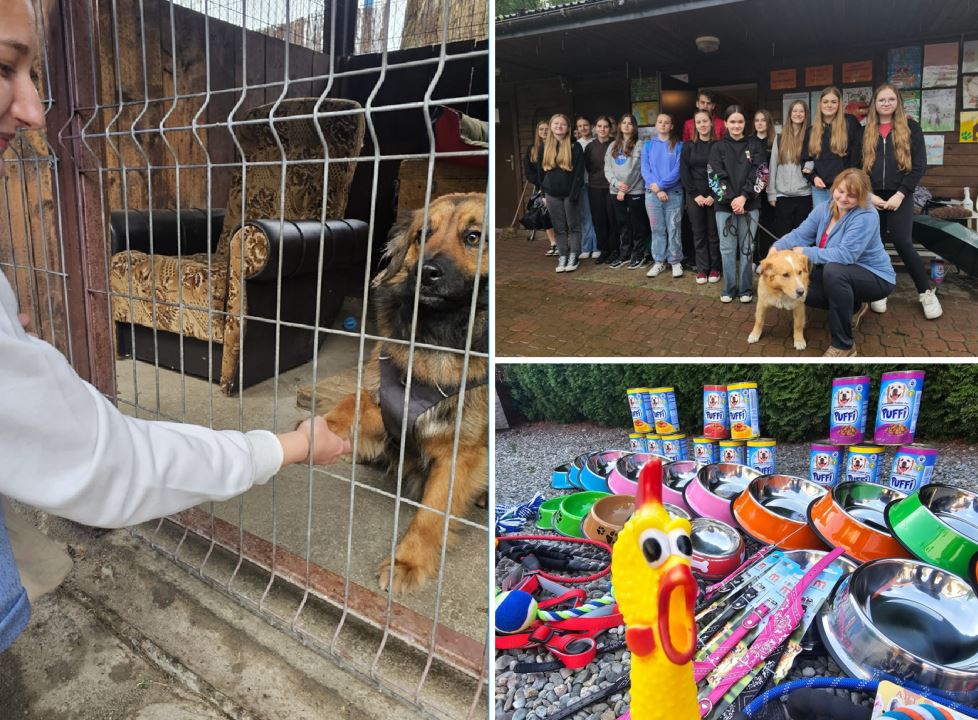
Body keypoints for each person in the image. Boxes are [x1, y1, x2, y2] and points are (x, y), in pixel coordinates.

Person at [0, 0, 351, 655]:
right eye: (3, 68)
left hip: (267, 246)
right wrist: (291, 446)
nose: (31, 110)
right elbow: (116, 465)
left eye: (34, 75)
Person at [770, 168, 895, 357]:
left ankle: (844, 345)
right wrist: (777, 248)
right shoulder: (825, 208)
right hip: (843, 271)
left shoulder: (867, 216)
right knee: (800, 288)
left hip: (875, 276)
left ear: (861, 197)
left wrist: (805, 252)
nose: (844, 198)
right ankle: (853, 306)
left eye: (852, 196)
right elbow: (800, 234)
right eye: (841, 191)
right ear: (834, 188)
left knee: (834, 273)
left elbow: (846, 255)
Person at [862, 83, 942, 320]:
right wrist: (868, 194)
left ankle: (926, 292)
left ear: (897, 102)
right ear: (874, 104)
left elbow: (919, 166)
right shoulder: (865, 130)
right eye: (881, 100)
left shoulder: (911, 128)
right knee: (872, 242)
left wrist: (900, 194)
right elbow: (857, 166)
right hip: (873, 194)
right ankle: (879, 290)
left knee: (902, 241)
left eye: (890, 99)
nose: (886, 103)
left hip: (900, 194)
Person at [708, 105, 768, 303]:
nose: (736, 125)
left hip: (750, 204)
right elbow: (715, 176)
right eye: (732, 121)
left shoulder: (755, 145)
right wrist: (732, 199)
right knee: (726, 248)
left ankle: (745, 289)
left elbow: (760, 173)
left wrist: (744, 196)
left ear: (745, 123)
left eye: (740, 121)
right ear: (725, 123)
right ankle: (729, 288)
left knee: (747, 247)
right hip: (725, 207)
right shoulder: (717, 147)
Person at [802, 86, 862, 207]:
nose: (829, 105)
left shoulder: (850, 123)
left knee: (844, 224)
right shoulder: (811, 131)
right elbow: (806, 161)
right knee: (824, 225)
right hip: (820, 190)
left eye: (833, 102)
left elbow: (858, 156)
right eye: (825, 102)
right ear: (820, 104)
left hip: (845, 189)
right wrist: (813, 177)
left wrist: (850, 180)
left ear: (839, 104)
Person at [541, 113, 586, 273]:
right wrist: (543, 194)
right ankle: (563, 256)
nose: (559, 126)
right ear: (551, 126)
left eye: (563, 124)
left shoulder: (575, 147)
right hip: (552, 195)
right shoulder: (544, 147)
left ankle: (574, 255)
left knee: (573, 226)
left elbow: (579, 174)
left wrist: (573, 195)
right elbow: (541, 173)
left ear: (568, 128)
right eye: (556, 124)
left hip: (569, 194)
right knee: (559, 228)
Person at [642, 112, 685, 278]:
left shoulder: (679, 145)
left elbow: (678, 170)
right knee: (657, 229)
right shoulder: (648, 145)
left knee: (674, 228)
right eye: (660, 122)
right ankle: (659, 261)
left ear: (671, 126)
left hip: (673, 193)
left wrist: (661, 186)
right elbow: (645, 170)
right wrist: (657, 189)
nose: (663, 125)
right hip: (652, 195)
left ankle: (675, 261)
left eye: (667, 122)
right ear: (656, 125)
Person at [680, 109, 721, 284]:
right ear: (694, 125)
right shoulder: (688, 146)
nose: (702, 125)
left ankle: (715, 268)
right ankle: (702, 269)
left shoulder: (719, 146)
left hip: (715, 195)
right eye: (699, 122)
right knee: (698, 233)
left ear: (711, 123)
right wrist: (695, 195)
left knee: (713, 234)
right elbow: (684, 172)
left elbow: (722, 172)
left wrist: (713, 194)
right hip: (694, 196)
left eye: (705, 121)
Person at [604, 113, 647, 269]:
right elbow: (607, 168)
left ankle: (638, 254)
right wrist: (616, 184)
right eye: (624, 123)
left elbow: (637, 168)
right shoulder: (612, 145)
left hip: (635, 191)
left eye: (630, 123)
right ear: (620, 126)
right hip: (615, 191)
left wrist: (625, 187)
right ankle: (625, 254)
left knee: (637, 224)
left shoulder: (639, 144)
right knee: (623, 225)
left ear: (634, 127)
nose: (627, 125)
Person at [767, 100, 813, 237]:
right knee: (783, 236)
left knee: (802, 236)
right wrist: (771, 192)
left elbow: (816, 159)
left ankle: (799, 259)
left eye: (801, 111)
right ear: (789, 114)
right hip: (783, 196)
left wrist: (810, 165)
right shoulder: (779, 138)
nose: (798, 114)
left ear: (806, 115)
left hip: (804, 195)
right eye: (795, 111)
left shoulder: (810, 136)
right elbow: (773, 165)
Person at [523, 119, 558, 256]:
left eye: (546, 129)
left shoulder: (556, 146)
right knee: (545, 215)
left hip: (555, 186)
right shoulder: (532, 149)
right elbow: (528, 171)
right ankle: (553, 243)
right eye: (541, 129)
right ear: (537, 132)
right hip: (540, 187)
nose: (544, 132)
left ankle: (562, 243)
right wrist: (539, 183)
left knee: (557, 215)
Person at [584, 115, 616, 265]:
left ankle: (614, 250)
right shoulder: (590, 146)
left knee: (612, 219)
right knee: (599, 220)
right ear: (595, 128)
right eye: (599, 126)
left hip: (611, 187)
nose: (602, 129)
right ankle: (603, 250)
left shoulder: (615, 144)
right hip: (595, 187)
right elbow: (589, 167)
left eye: (605, 126)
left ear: (610, 129)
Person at [752, 109, 778, 260]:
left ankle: (767, 258)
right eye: (757, 120)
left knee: (768, 224)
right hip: (753, 189)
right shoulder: (749, 141)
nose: (760, 123)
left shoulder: (775, 140)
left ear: (769, 123)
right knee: (753, 225)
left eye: (763, 120)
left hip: (769, 189)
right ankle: (754, 259)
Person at [575, 116, 598, 260]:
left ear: (591, 126)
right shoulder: (576, 144)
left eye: (586, 125)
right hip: (582, 183)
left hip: (595, 183)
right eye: (580, 126)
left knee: (596, 215)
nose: (583, 128)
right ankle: (586, 247)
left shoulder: (596, 142)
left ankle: (596, 246)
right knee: (585, 216)